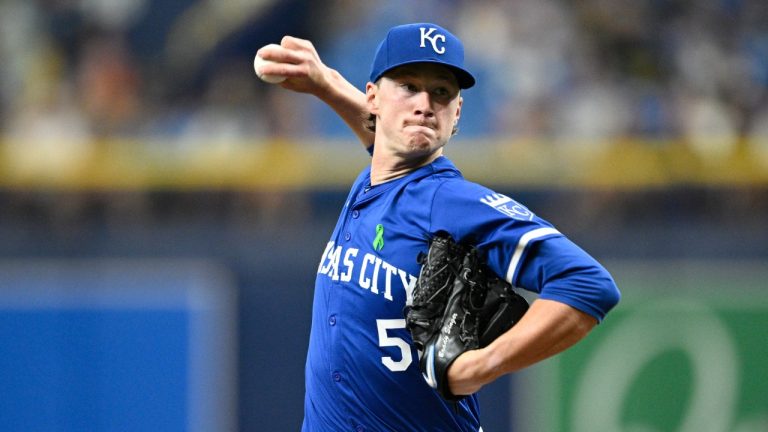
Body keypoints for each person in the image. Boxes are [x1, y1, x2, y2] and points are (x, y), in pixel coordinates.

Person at [256, 22, 620, 431]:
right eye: (409, 86)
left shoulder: (451, 202)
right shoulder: (374, 181)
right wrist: (327, 84)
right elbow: (386, 139)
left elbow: (588, 283)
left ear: (457, 113)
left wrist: (484, 364)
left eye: (441, 93)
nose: (425, 104)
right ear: (373, 96)